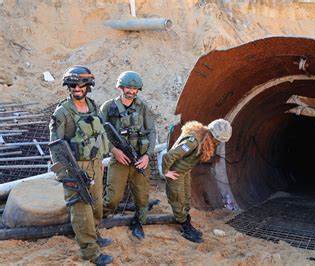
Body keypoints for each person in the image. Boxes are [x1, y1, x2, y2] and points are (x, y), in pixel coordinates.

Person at [49, 66, 113, 265]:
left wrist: (99, 162)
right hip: (75, 167)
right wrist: (64, 174)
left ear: (88, 86)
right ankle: (90, 252)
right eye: (72, 85)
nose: (76, 88)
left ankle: (94, 235)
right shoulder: (62, 113)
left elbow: (97, 134)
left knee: (96, 205)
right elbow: (55, 146)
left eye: (80, 84)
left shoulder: (93, 106)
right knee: (81, 210)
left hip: (94, 164)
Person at [100, 71, 156, 240]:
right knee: (113, 197)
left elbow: (152, 131)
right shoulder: (108, 107)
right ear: (121, 87)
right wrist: (113, 151)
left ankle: (138, 222)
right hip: (119, 159)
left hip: (139, 159)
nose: (131, 91)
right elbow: (100, 133)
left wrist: (147, 155)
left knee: (142, 196)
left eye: (135, 88)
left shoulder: (143, 107)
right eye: (128, 87)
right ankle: (102, 217)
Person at [163, 119, 232, 243]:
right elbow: (169, 156)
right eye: (218, 141)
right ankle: (185, 227)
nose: (217, 144)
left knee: (186, 198)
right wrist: (166, 172)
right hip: (176, 173)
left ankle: (186, 223)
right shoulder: (193, 142)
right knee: (178, 199)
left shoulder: (203, 137)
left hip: (184, 171)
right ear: (213, 136)